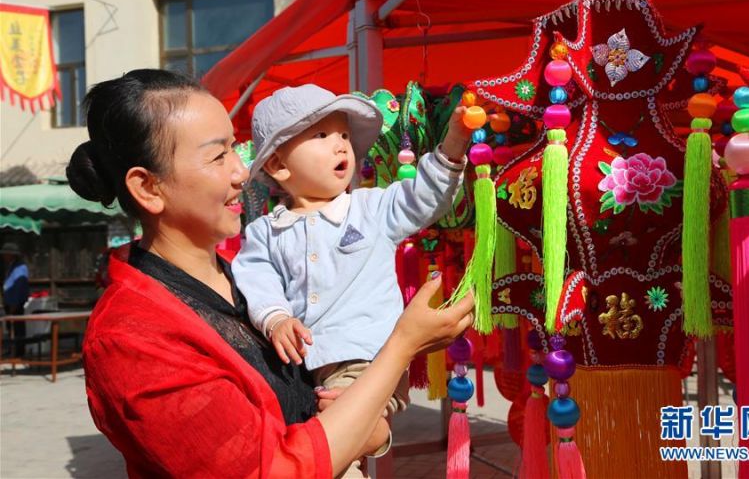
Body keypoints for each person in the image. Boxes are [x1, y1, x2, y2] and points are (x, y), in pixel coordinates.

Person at [66, 69, 474, 478]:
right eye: (218, 155)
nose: (242, 173)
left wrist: (365, 419)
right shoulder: (132, 338)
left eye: (233, 150)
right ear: (149, 188)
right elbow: (267, 469)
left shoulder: (232, 280)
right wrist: (401, 348)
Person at [232, 84, 471, 450]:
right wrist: (276, 318)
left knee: (328, 441)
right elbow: (256, 279)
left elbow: (423, 197)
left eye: (344, 134)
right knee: (308, 444)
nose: (341, 144)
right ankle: (371, 433)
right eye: (322, 135)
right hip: (302, 365)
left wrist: (453, 145)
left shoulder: (370, 209)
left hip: (367, 357)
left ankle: (371, 428)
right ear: (278, 165)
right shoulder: (265, 231)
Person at [1, 242, 29, 356]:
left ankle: (19, 352)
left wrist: (14, 304)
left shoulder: (20, 267)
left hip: (16, 303)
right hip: (9, 302)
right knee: (10, 327)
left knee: (18, 328)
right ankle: (11, 350)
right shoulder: (11, 266)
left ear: (11, 255)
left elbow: (19, 286)